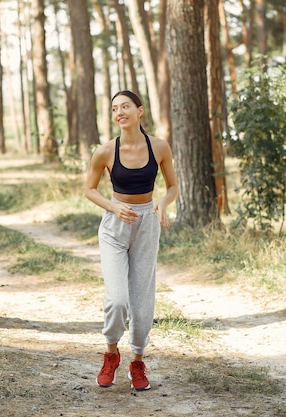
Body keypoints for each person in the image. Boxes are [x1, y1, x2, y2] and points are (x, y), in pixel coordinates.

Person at [84, 90, 178, 391]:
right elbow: (90, 189)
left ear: (140, 111)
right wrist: (113, 206)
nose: (119, 112)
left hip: (147, 223)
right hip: (114, 226)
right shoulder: (105, 151)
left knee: (141, 300)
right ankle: (111, 354)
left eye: (125, 106)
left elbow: (173, 186)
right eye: (114, 108)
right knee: (117, 299)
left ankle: (137, 361)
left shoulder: (160, 147)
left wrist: (162, 203)